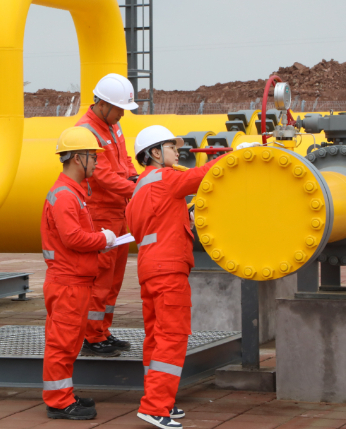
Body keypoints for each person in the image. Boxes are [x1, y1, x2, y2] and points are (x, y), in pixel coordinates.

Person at [126, 126, 246, 429]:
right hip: (168, 270)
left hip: (150, 268)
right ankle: (155, 406)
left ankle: (160, 400)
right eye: (171, 146)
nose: (177, 151)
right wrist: (235, 156)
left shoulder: (140, 188)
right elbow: (202, 175)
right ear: (155, 153)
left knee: (155, 337)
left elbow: (157, 222)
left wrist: (185, 215)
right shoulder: (165, 179)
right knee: (173, 336)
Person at [41, 126, 117, 420]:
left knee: (69, 343)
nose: (98, 162)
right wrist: (104, 239)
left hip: (74, 282)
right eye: (93, 156)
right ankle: (59, 402)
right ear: (77, 158)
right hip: (68, 283)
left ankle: (63, 396)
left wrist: (100, 239)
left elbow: (73, 237)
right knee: (62, 344)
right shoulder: (65, 196)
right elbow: (73, 238)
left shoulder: (72, 193)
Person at [75, 73, 138, 356]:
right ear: (102, 104)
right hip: (101, 215)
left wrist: (135, 178)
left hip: (118, 212)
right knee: (100, 278)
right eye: (119, 108)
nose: (123, 114)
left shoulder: (113, 126)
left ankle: (103, 330)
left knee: (113, 279)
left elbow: (123, 159)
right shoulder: (86, 132)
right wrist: (136, 190)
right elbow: (101, 176)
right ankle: (91, 336)